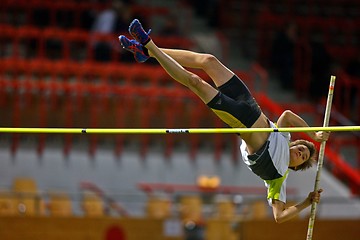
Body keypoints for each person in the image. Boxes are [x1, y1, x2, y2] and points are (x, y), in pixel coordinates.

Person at [119, 19, 330, 223]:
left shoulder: (278, 178)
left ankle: (148, 44)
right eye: (301, 149)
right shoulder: (284, 137)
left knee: (195, 82)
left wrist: (307, 202)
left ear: (296, 167)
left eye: (302, 157)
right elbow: (287, 115)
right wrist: (313, 134)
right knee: (208, 61)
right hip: (248, 104)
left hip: (242, 122)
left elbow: (279, 216)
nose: (300, 153)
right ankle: (147, 52)